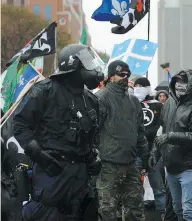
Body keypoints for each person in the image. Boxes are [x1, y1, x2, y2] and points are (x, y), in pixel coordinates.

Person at [13, 44, 104, 221]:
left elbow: (93, 137)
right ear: (72, 66)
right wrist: (39, 155)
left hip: (81, 176)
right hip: (53, 172)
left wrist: (96, 156)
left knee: (83, 212)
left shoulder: (91, 100)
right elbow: (20, 125)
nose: (91, 68)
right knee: (50, 214)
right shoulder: (44, 91)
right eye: (85, 63)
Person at [150, 69, 192, 221]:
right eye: (178, 82)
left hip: (191, 166)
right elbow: (161, 132)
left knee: (189, 210)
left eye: (184, 83)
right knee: (177, 209)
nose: (179, 86)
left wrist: (171, 137)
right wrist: (155, 154)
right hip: (171, 166)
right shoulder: (169, 103)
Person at [96, 60, 149, 221]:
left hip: (131, 163)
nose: (125, 78)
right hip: (108, 165)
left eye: (127, 74)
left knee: (135, 209)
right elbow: (92, 131)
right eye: (121, 75)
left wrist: (145, 156)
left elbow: (140, 132)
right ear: (111, 77)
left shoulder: (133, 101)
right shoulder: (101, 98)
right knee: (108, 211)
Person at [133, 77, 166, 220]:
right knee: (134, 188)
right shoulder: (131, 104)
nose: (138, 88)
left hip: (154, 150)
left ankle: (163, 213)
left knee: (158, 186)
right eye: (136, 86)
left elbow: (164, 126)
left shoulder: (158, 105)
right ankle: (138, 215)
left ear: (147, 87)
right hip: (135, 152)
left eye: (142, 86)